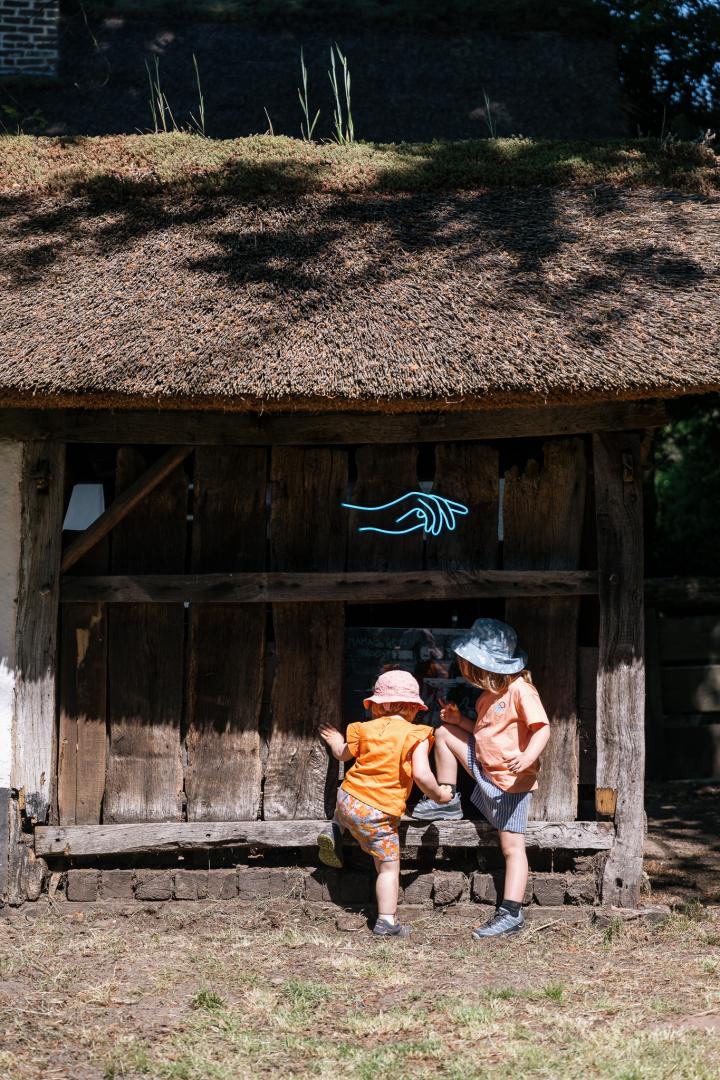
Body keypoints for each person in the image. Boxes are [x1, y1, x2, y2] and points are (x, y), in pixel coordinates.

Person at [412, 618, 550, 939]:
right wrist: (461, 721)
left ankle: (511, 913)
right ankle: (448, 798)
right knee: (444, 732)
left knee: (512, 847)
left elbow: (542, 728)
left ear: (484, 666)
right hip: (486, 769)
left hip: (509, 783)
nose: (465, 671)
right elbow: (482, 734)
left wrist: (527, 757)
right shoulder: (487, 697)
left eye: (468, 666)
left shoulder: (520, 690)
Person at [318, 669, 453, 938]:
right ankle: (387, 922)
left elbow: (343, 754)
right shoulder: (415, 735)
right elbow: (422, 775)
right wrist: (440, 795)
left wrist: (335, 742)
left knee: (346, 801)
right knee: (389, 867)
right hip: (378, 812)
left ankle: (335, 828)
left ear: (380, 705)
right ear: (412, 707)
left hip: (347, 800)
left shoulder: (364, 729)